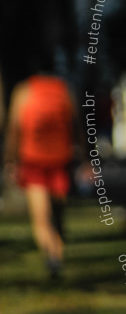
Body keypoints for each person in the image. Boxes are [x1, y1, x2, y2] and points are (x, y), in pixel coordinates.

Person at [3, 66, 79, 278]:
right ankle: (58, 250)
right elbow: (77, 125)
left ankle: (52, 257)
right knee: (57, 213)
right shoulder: (64, 90)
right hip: (60, 160)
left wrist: (10, 159)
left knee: (40, 220)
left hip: (33, 161)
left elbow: (14, 127)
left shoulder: (23, 91)